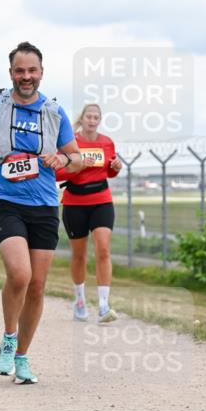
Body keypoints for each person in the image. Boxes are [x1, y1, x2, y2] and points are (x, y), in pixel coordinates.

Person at [0, 41, 83, 384]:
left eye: (32, 70)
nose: (26, 76)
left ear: (41, 73)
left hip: (45, 204)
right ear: (11, 73)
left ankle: (22, 358)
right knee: (20, 274)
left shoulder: (53, 112)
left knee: (37, 285)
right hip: (5, 199)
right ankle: (8, 337)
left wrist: (61, 160)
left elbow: (76, 159)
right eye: (20, 71)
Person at [55, 104, 123, 322]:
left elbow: (109, 171)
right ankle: (80, 299)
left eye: (96, 117)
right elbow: (57, 173)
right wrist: (80, 165)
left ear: (99, 120)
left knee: (103, 250)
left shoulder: (107, 142)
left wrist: (116, 167)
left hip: (101, 200)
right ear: (82, 119)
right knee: (80, 255)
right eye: (89, 116)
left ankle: (104, 305)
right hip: (75, 202)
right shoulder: (70, 142)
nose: (92, 120)